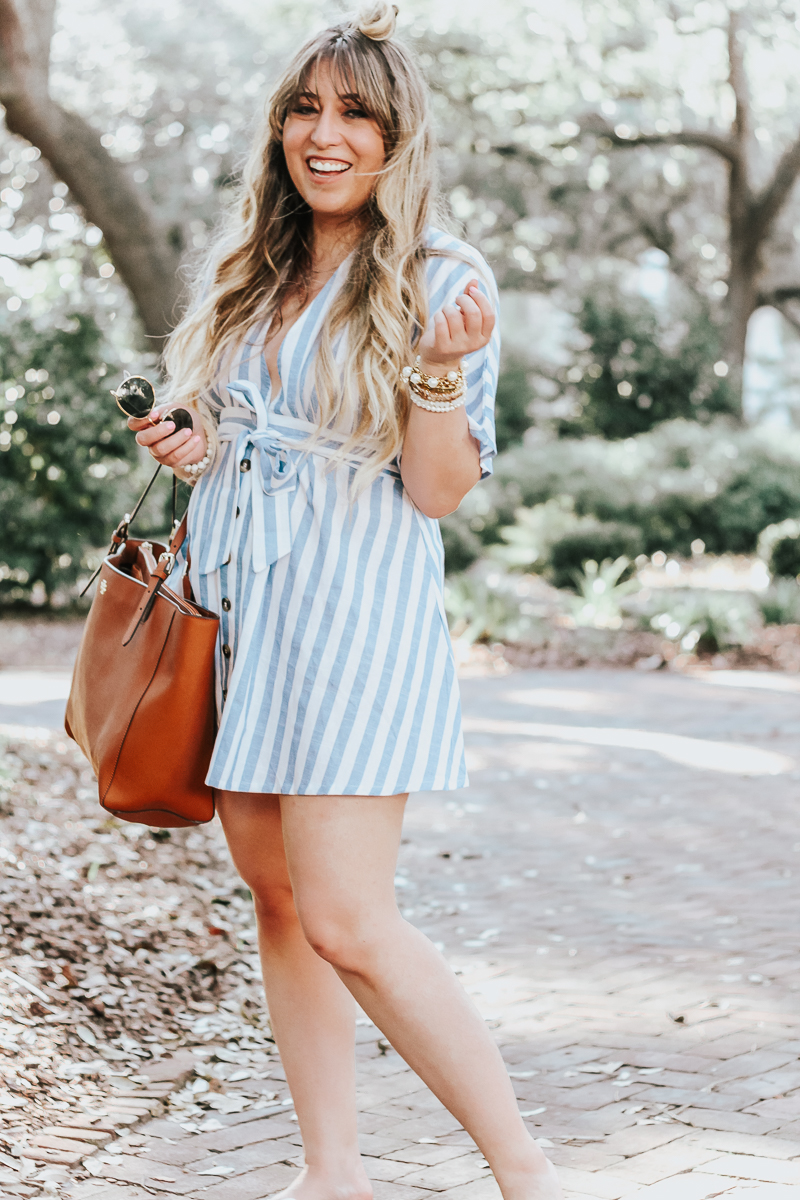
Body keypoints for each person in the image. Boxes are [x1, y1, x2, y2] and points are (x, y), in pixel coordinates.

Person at [127, 5, 561, 1197]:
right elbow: (242, 438)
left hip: (353, 626)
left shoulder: (439, 274)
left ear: (396, 137)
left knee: (349, 919)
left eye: (355, 114)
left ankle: (527, 1172)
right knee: (276, 901)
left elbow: (434, 491)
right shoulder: (253, 271)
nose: (326, 135)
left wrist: (437, 370)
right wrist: (192, 441)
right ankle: (332, 1175)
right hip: (242, 617)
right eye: (305, 109)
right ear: (279, 127)